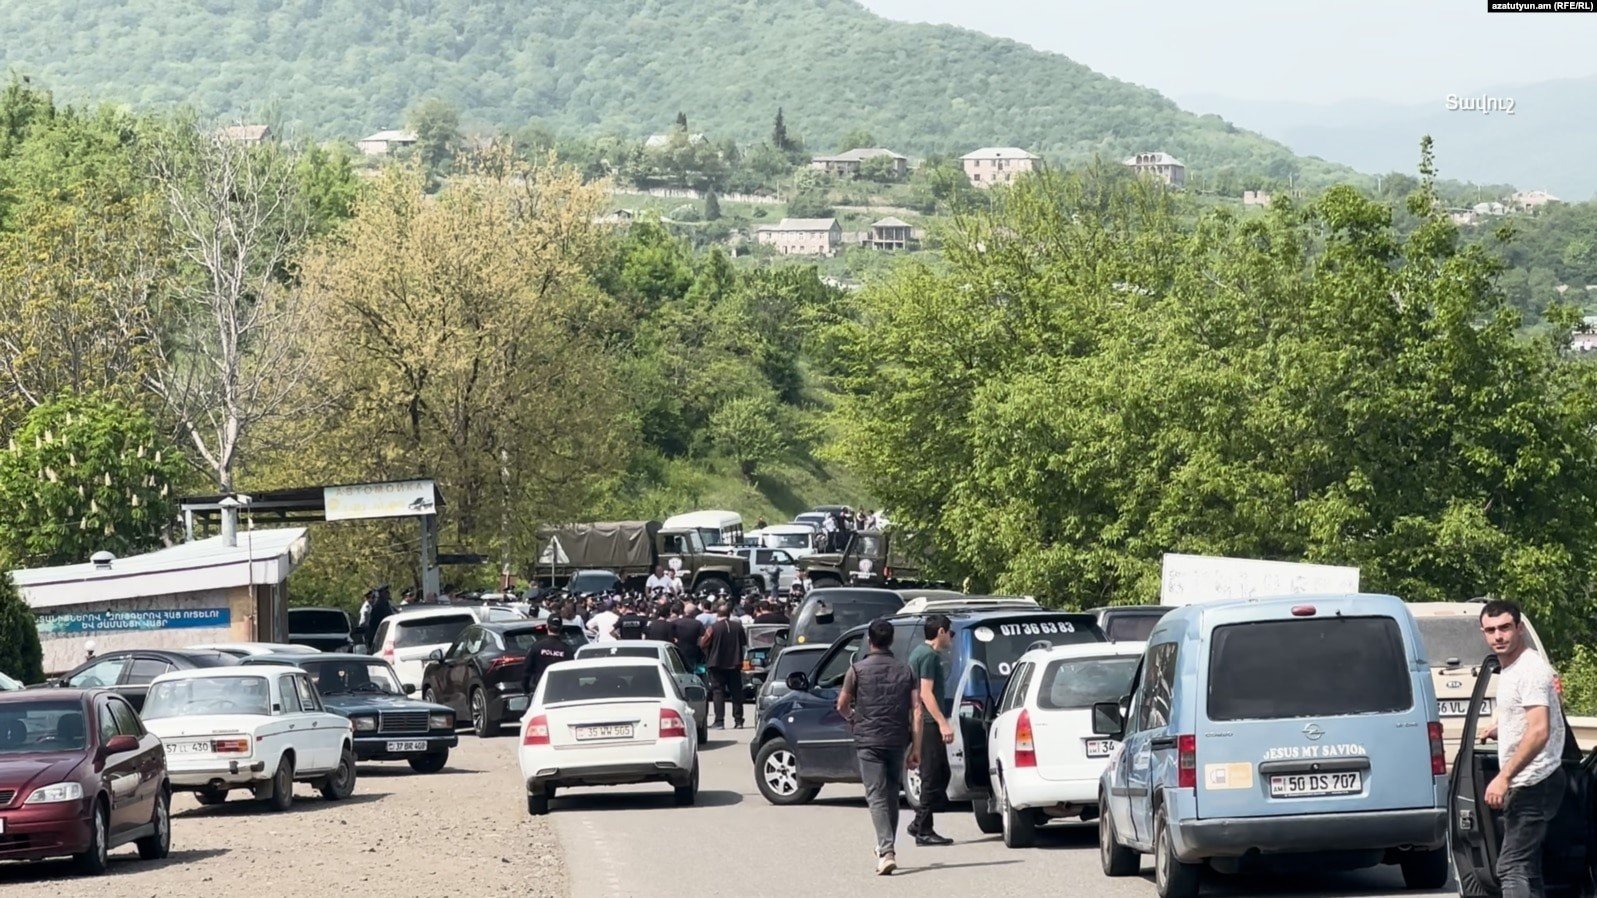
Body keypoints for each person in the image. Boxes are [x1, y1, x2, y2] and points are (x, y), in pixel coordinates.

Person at [1480, 599, 1566, 898]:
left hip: (1534, 781)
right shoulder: (1512, 669)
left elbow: (1540, 730)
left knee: (1510, 866)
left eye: (1505, 628)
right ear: (1483, 633)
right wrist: (1500, 729)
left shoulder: (1529, 670)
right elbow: (1532, 718)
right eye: (1490, 630)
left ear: (1520, 629)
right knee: (1528, 867)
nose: (1498, 636)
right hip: (1534, 779)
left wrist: (1503, 777)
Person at [836, 618, 919, 875]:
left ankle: (886, 850)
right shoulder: (906, 671)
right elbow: (916, 709)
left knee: (875, 795)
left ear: (870, 641)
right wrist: (916, 746)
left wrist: (853, 718)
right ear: (891, 640)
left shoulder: (857, 670)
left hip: (868, 739)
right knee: (892, 793)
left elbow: (841, 705)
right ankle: (887, 845)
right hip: (897, 738)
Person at [907, 613, 955, 846]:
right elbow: (926, 693)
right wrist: (942, 722)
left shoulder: (920, 653)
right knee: (931, 776)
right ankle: (924, 829)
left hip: (926, 722)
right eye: (950, 633)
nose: (951, 639)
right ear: (941, 633)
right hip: (927, 723)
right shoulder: (928, 656)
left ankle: (918, 822)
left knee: (941, 772)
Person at [701, 603, 748, 729]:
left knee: (718, 692)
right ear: (729, 614)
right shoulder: (738, 627)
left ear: (717, 614)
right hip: (735, 663)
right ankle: (738, 721)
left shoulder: (713, 628)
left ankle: (719, 721)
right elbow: (744, 642)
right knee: (736, 692)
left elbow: (703, 643)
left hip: (716, 664)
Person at [521, 616, 573, 698]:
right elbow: (571, 674)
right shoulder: (567, 649)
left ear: (547, 626)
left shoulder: (537, 646)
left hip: (539, 690)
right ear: (561, 628)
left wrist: (525, 690)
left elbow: (526, 670)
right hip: (560, 692)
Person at [672, 602, 706, 671]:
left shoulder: (675, 622)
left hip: (677, 650)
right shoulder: (698, 623)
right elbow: (703, 638)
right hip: (692, 652)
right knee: (690, 671)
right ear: (694, 612)